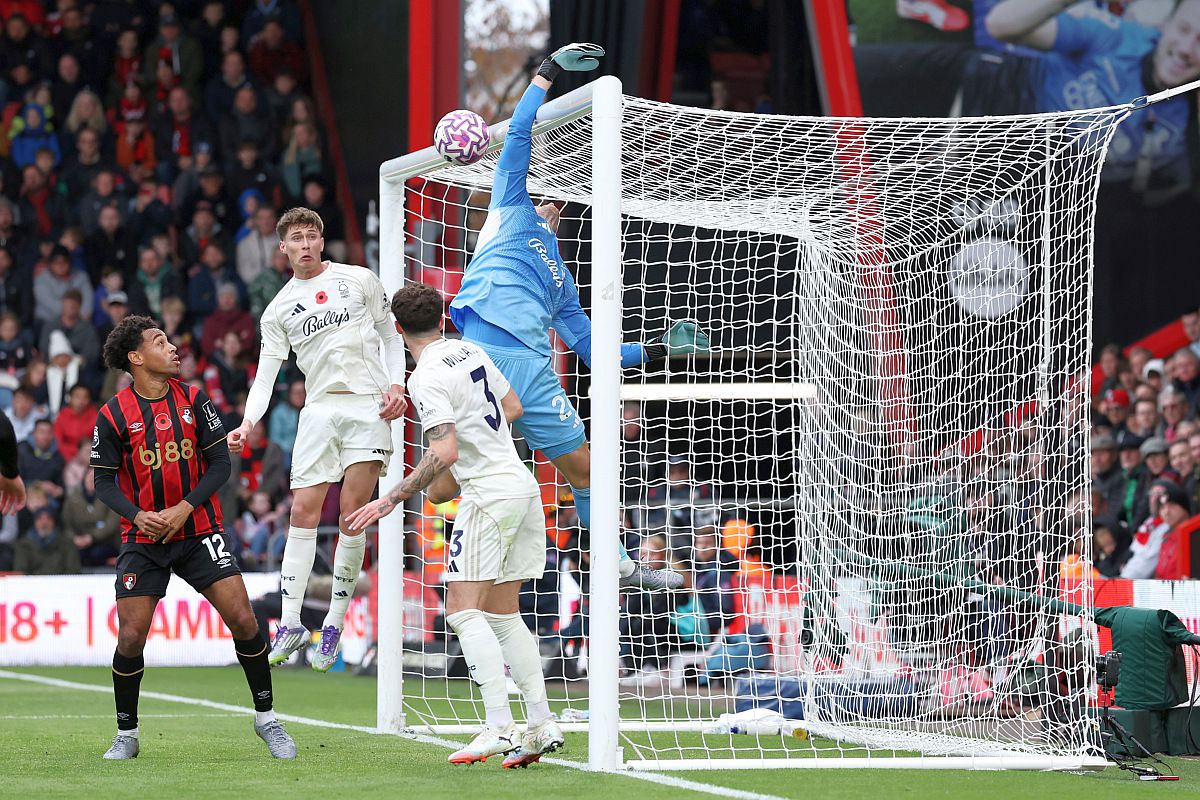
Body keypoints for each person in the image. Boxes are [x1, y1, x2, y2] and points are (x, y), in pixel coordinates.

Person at [448, 43, 709, 592]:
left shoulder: (561, 279)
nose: (555, 201)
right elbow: (518, 136)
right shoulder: (509, 209)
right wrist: (545, 75)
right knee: (448, 482)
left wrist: (659, 350)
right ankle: (462, 568)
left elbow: (597, 354)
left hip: (536, 372)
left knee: (588, 473)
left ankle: (613, 560)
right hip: (483, 354)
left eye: (561, 198)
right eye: (550, 191)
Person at [346, 282, 563, 768]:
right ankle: (541, 723)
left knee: (463, 611)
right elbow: (513, 409)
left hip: (488, 496)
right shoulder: (470, 350)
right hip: (522, 487)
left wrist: (389, 499)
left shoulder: (423, 378)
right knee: (504, 616)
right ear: (443, 319)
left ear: (398, 329)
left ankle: (498, 727)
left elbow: (444, 451)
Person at [92, 314, 294, 760]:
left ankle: (268, 719)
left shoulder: (195, 399)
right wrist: (138, 515)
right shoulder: (111, 415)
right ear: (137, 357)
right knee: (131, 635)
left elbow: (221, 464)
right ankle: (127, 734)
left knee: (243, 618)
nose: (173, 347)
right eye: (160, 341)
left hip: (200, 529)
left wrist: (184, 507)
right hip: (144, 538)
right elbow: (103, 482)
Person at [227, 207, 406, 671]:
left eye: (311, 236)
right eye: (296, 239)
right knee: (303, 512)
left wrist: (397, 384)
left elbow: (391, 336)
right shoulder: (279, 309)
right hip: (320, 410)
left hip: (367, 404)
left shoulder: (360, 279)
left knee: (353, 516)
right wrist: (248, 423)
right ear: (282, 248)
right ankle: (289, 623)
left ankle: (334, 623)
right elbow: (267, 375)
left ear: (321, 240)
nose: (305, 244)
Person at [986, 0, 1200, 200]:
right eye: (1182, 29)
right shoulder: (1116, 36)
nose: (1185, 49)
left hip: (1070, 200)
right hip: (1002, 125)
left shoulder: (1189, 117)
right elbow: (999, 26)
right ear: (1163, 26)